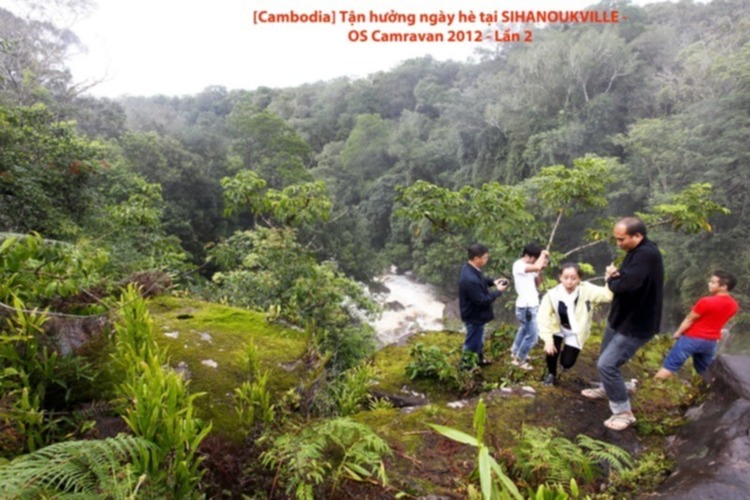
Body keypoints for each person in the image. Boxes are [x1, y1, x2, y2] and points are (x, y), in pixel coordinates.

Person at [581, 217, 664, 432]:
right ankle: (608, 388)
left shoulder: (647, 254)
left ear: (638, 236)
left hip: (636, 323)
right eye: (616, 239)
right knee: (605, 356)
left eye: (622, 239)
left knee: (607, 365)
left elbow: (625, 285)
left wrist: (610, 278)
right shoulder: (636, 252)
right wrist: (617, 277)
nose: (618, 243)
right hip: (621, 317)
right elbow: (626, 279)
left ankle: (623, 412)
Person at [538, 263, 613, 386]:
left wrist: (610, 280)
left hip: (576, 330)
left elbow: (606, 296)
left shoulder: (586, 290)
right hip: (558, 327)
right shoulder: (552, 294)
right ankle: (551, 374)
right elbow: (543, 317)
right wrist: (548, 340)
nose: (569, 282)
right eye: (565, 278)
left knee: (567, 362)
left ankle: (564, 360)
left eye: (573, 278)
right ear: (560, 278)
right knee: (552, 351)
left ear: (579, 279)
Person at [655, 271, 739, 380]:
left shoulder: (706, 301)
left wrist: (678, 333)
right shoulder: (734, 305)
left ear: (723, 286)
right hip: (711, 342)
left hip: (692, 338)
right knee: (706, 372)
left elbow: (690, 319)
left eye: (713, 282)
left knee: (670, 366)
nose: (709, 284)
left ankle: (650, 389)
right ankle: (710, 393)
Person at [459, 243, 509, 366]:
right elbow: (482, 301)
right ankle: (466, 366)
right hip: (474, 315)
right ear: (476, 259)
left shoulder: (470, 269)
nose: (486, 260)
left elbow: (481, 281)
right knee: (472, 343)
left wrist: (493, 282)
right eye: (485, 258)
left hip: (477, 315)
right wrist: (498, 291)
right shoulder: (469, 278)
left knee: (478, 340)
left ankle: (479, 360)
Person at [510, 243, 550, 370]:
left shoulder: (531, 267)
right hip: (526, 306)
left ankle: (515, 352)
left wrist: (540, 270)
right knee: (532, 337)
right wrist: (543, 255)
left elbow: (538, 283)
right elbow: (537, 265)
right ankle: (519, 360)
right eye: (535, 258)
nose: (536, 261)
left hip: (531, 304)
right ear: (527, 255)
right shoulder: (519, 265)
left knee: (524, 329)